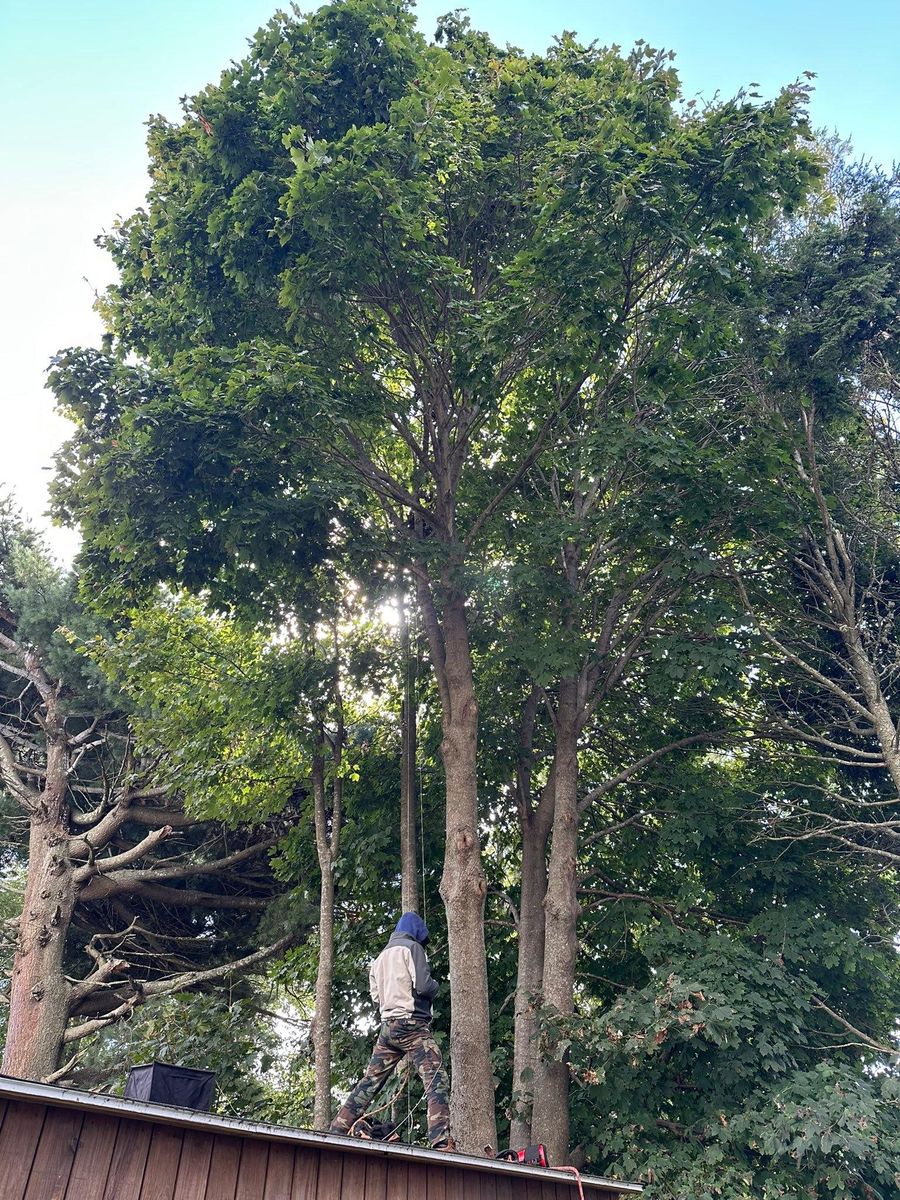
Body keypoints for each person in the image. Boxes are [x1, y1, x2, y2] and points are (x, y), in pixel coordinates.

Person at [328, 912, 453, 1149]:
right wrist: (436, 986)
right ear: (417, 933)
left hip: (388, 1028)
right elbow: (425, 986)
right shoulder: (413, 949)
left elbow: (376, 996)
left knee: (370, 1082)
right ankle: (440, 1140)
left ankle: (338, 1129)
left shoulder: (380, 958)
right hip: (412, 1025)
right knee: (436, 1078)